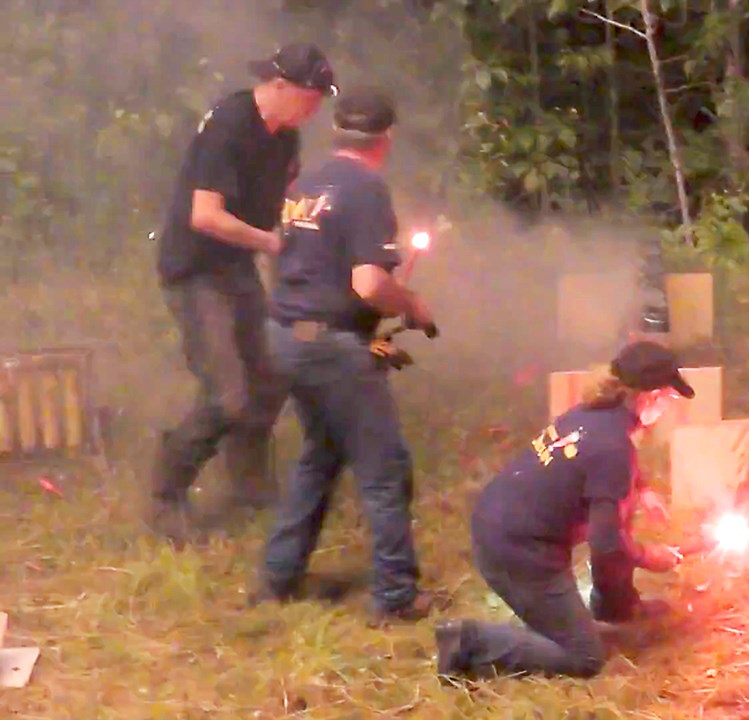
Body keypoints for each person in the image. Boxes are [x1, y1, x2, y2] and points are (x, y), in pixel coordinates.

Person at [254, 86, 443, 624]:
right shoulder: (365, 187)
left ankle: (278, 577)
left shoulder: (305, 183)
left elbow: (295, 260)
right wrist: (413, 305)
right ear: (386, 138)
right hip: (329, 346)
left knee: (320, 455)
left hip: (285, 335)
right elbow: (367, 284)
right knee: (385, 468)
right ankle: (395, 596)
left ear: (338, 131)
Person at [150, 43, 338, 540]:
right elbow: (204, 215)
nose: (314, 108)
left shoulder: (285, 138)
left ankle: (249, 484)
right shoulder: (229, 125)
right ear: (278, 86)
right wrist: (269, 243)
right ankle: (166, 495)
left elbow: (282, 204)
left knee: (269, 377)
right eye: (309, 96)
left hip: (236, 269)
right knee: (226, 395)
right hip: (194, 271)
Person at [434, 340, 691, 679]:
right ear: (651, 395)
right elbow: (605, 544)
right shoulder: (613, 446)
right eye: (669, 399)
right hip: (518, 554)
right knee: (583, 657)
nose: (668, 408)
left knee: (618, 509)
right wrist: (649, 556)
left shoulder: (592, 412)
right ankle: (470, 640)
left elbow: (596, 463)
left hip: (499, 521)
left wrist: (639, 488)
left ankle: (616, 606)